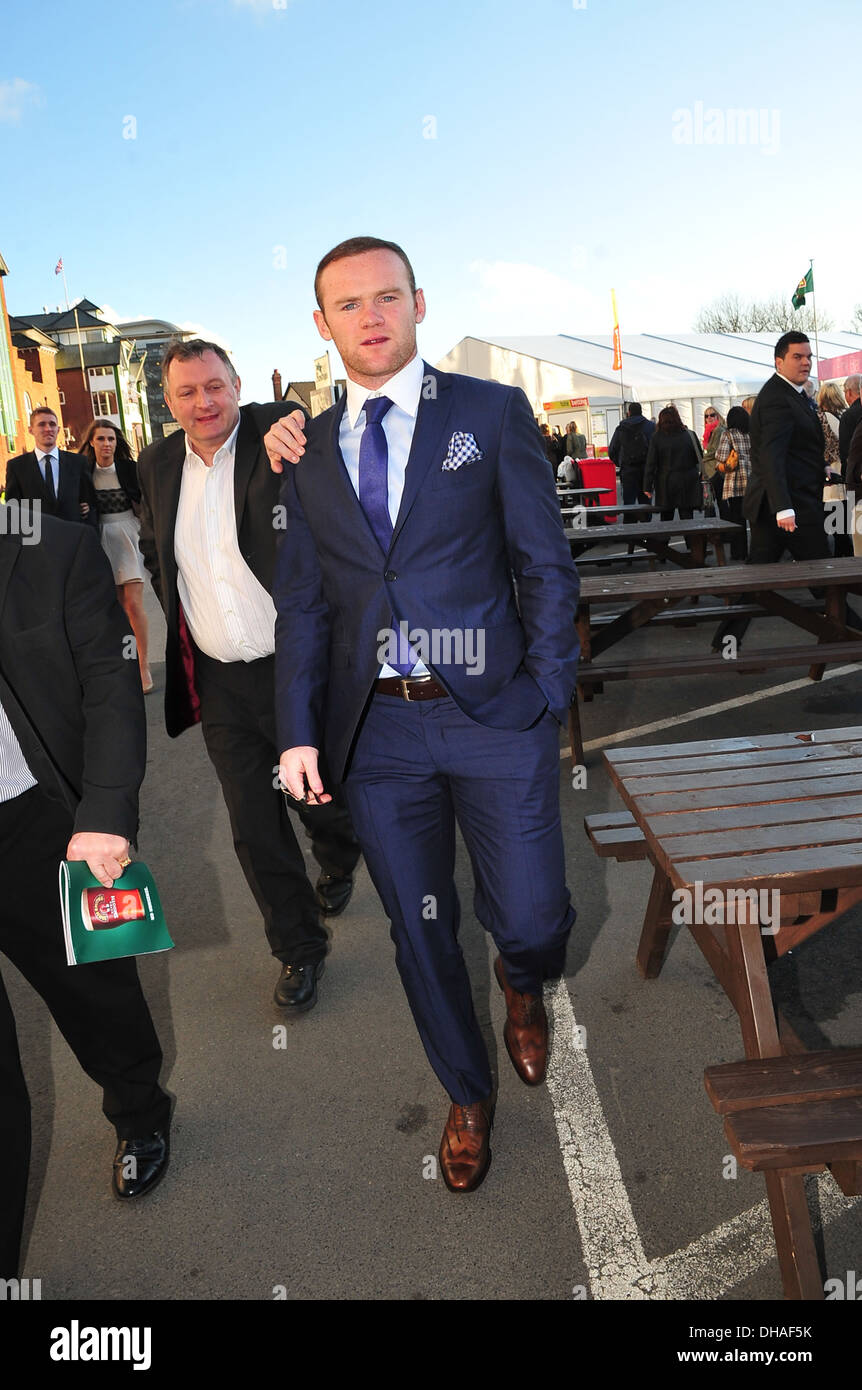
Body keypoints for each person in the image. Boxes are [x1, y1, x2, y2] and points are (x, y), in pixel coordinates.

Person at [265, 236, 580, 1194]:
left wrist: (547, 694)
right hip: (381, 737)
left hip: (493, 713)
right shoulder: (306, 448)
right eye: (349, 304)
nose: (372, 316)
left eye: (388, 297)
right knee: (419, 928)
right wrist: (298, 728)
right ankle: (466, 1090)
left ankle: (522, 982)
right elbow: (306, 603)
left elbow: (544, 563)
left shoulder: (489, 412)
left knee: (530, 917)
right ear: (322, 326)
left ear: (419, 304)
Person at [136, 340, 360, 1014]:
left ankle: (338, 848)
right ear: (168, 401)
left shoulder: (272, 430)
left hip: (293, 670)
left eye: (214, 387)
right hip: (219, 678)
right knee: (252, 823)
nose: (203, 403)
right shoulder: (155, 463)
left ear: (236, 385)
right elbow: (155, 549)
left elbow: (310, 419)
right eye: (186, 392)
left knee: (315, 796)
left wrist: (288, 416)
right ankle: (297, 947)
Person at [1, 516, 171, 1279]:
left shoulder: (52, 546)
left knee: (95, 992)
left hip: (31, 819)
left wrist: (103, 814)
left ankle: (138, 1111)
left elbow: (109, 677)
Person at [79, 418, 153, 692]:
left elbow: (147, 498)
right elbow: (72, 501)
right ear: (91, 442)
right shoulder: (83, 471)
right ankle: (124, 665)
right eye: (101, 439)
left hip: (129, 536)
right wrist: (82, 508)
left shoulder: (128, 468)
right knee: (115, 609)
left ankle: (143, 667)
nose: (106, 444)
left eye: (111, 439)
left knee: (133, 605)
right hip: (99, 539)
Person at [5, 406, 97, 527]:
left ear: (58, 429)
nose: (48, 428)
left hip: (73, 536)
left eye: (52, 424)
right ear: (31, 430)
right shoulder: (17, 466)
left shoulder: (78, 462)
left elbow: (90, 503)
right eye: (42, 424)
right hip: (36, 540)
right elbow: (12, 510)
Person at [643, 405, 703, 521]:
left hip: (665, 482)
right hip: (688, 482)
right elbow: (699, 457)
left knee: (666, 519)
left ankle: (664, 539)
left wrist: (647, 486)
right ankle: (690, 539)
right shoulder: (689, 435)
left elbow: (651, 463)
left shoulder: (657, 437)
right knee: (687, 519)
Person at [713, 405, 752, 561]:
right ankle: (758, 550)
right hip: (753, 480)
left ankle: (739, 552)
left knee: (737, 519)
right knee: (755, 520)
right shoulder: (752, 434)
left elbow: (721, 457)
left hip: (735, 483)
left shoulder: (727, 435)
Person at [608, 402, 654, 507]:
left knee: (629, 503)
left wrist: (621, 463)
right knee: (646, 504)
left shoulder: (621, 427)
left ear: (629, 412)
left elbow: (612, 450)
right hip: (646, 471)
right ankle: (646, 522)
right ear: (641, 411)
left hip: (628, 471)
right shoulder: (651, 426)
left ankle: (629, 521)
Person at [838, 374, 861, 477]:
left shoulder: (848, 416)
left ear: (849, 392)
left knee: (851, 493)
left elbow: (845, 450)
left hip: (853, 477)